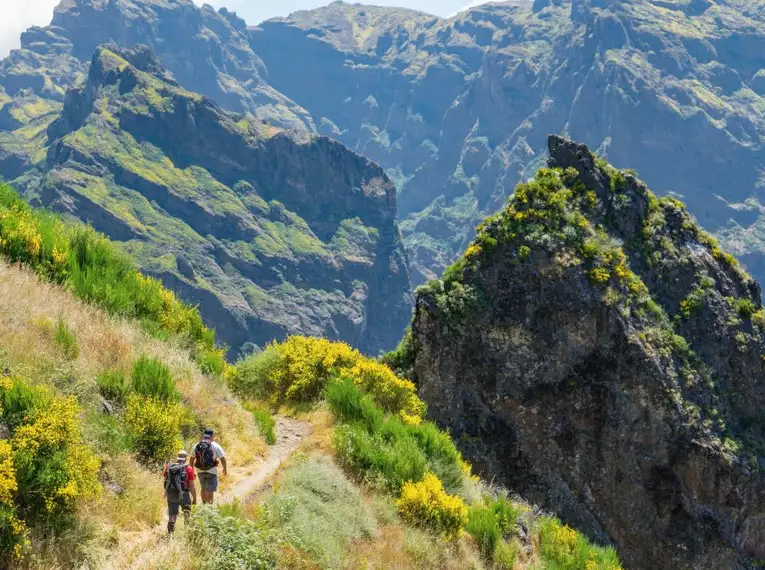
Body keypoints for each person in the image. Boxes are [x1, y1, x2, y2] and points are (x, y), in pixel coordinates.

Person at [163, 449, 196, 534]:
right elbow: (192, 486)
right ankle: (187, 532)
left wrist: (166, 492)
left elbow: (166, 480)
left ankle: (170, 536)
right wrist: (195, 498)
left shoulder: (169, 467)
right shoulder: (188, 468)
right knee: (187, 514)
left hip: (171, 494)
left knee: (172, 516)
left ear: (177, 458)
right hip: (184, 494)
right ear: (185, 458)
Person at [190, 428, 227, 504]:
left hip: (200, 470)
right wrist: (225, 469)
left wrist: (192, 471)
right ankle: (209, 506)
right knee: (209, 489)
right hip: (211, 470)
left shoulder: (197, 445)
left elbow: (191, 459)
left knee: (203, 488)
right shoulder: (215, 445)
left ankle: (204, 505)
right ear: (212, 435)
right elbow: (222, 458)